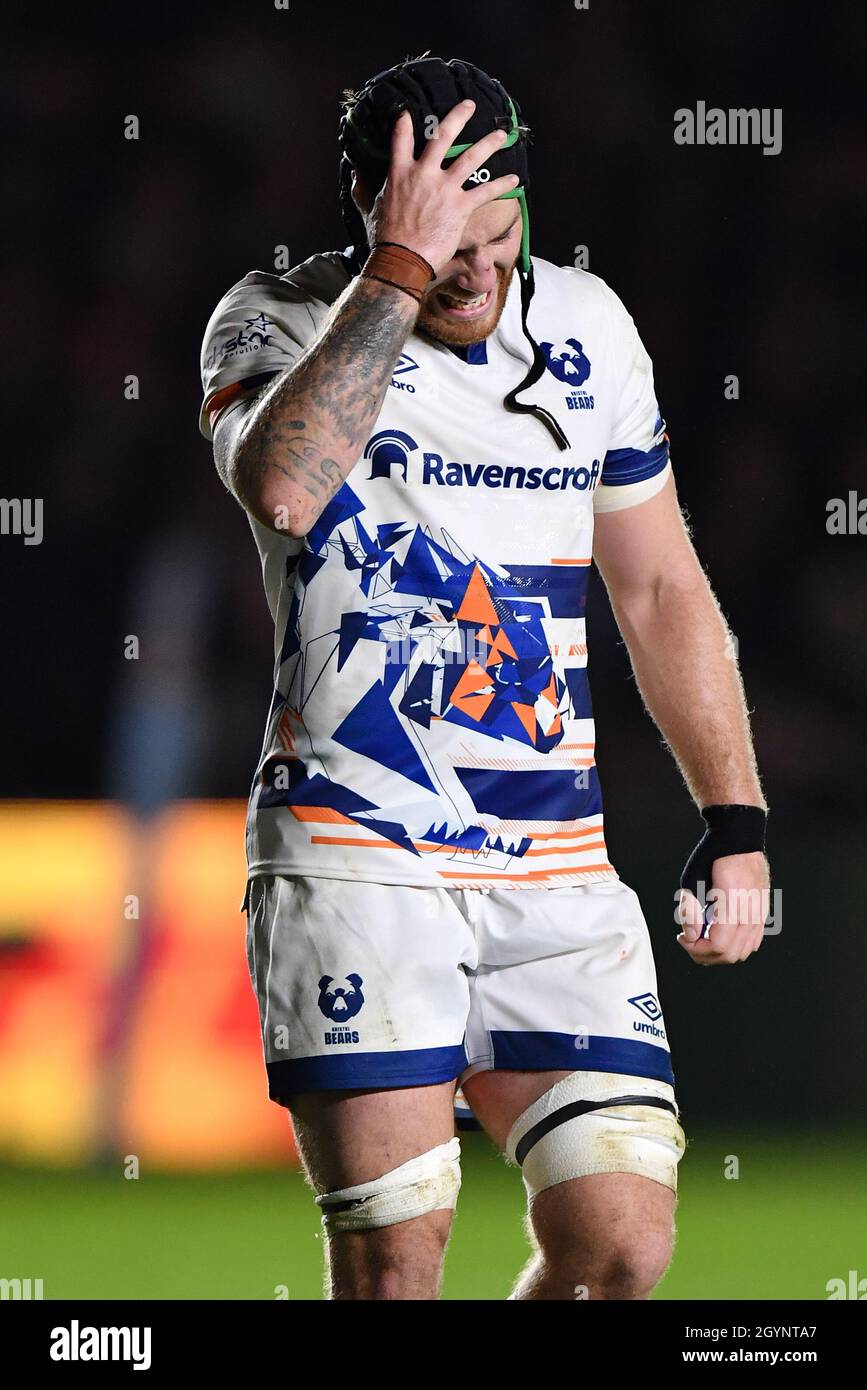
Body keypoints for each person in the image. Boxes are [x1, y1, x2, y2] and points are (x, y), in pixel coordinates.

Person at [198, 55, 769, 1301]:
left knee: (622, 1246)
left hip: (553, 863)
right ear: (372, 205)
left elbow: (661, 585)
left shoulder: (589, 327)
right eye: (446, 243)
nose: (479, 274)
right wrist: (398, 272)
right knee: (399, 1263)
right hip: (357, 848)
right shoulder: (273, 318)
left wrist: (735, 817)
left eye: (498, 238)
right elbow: (287, 487)